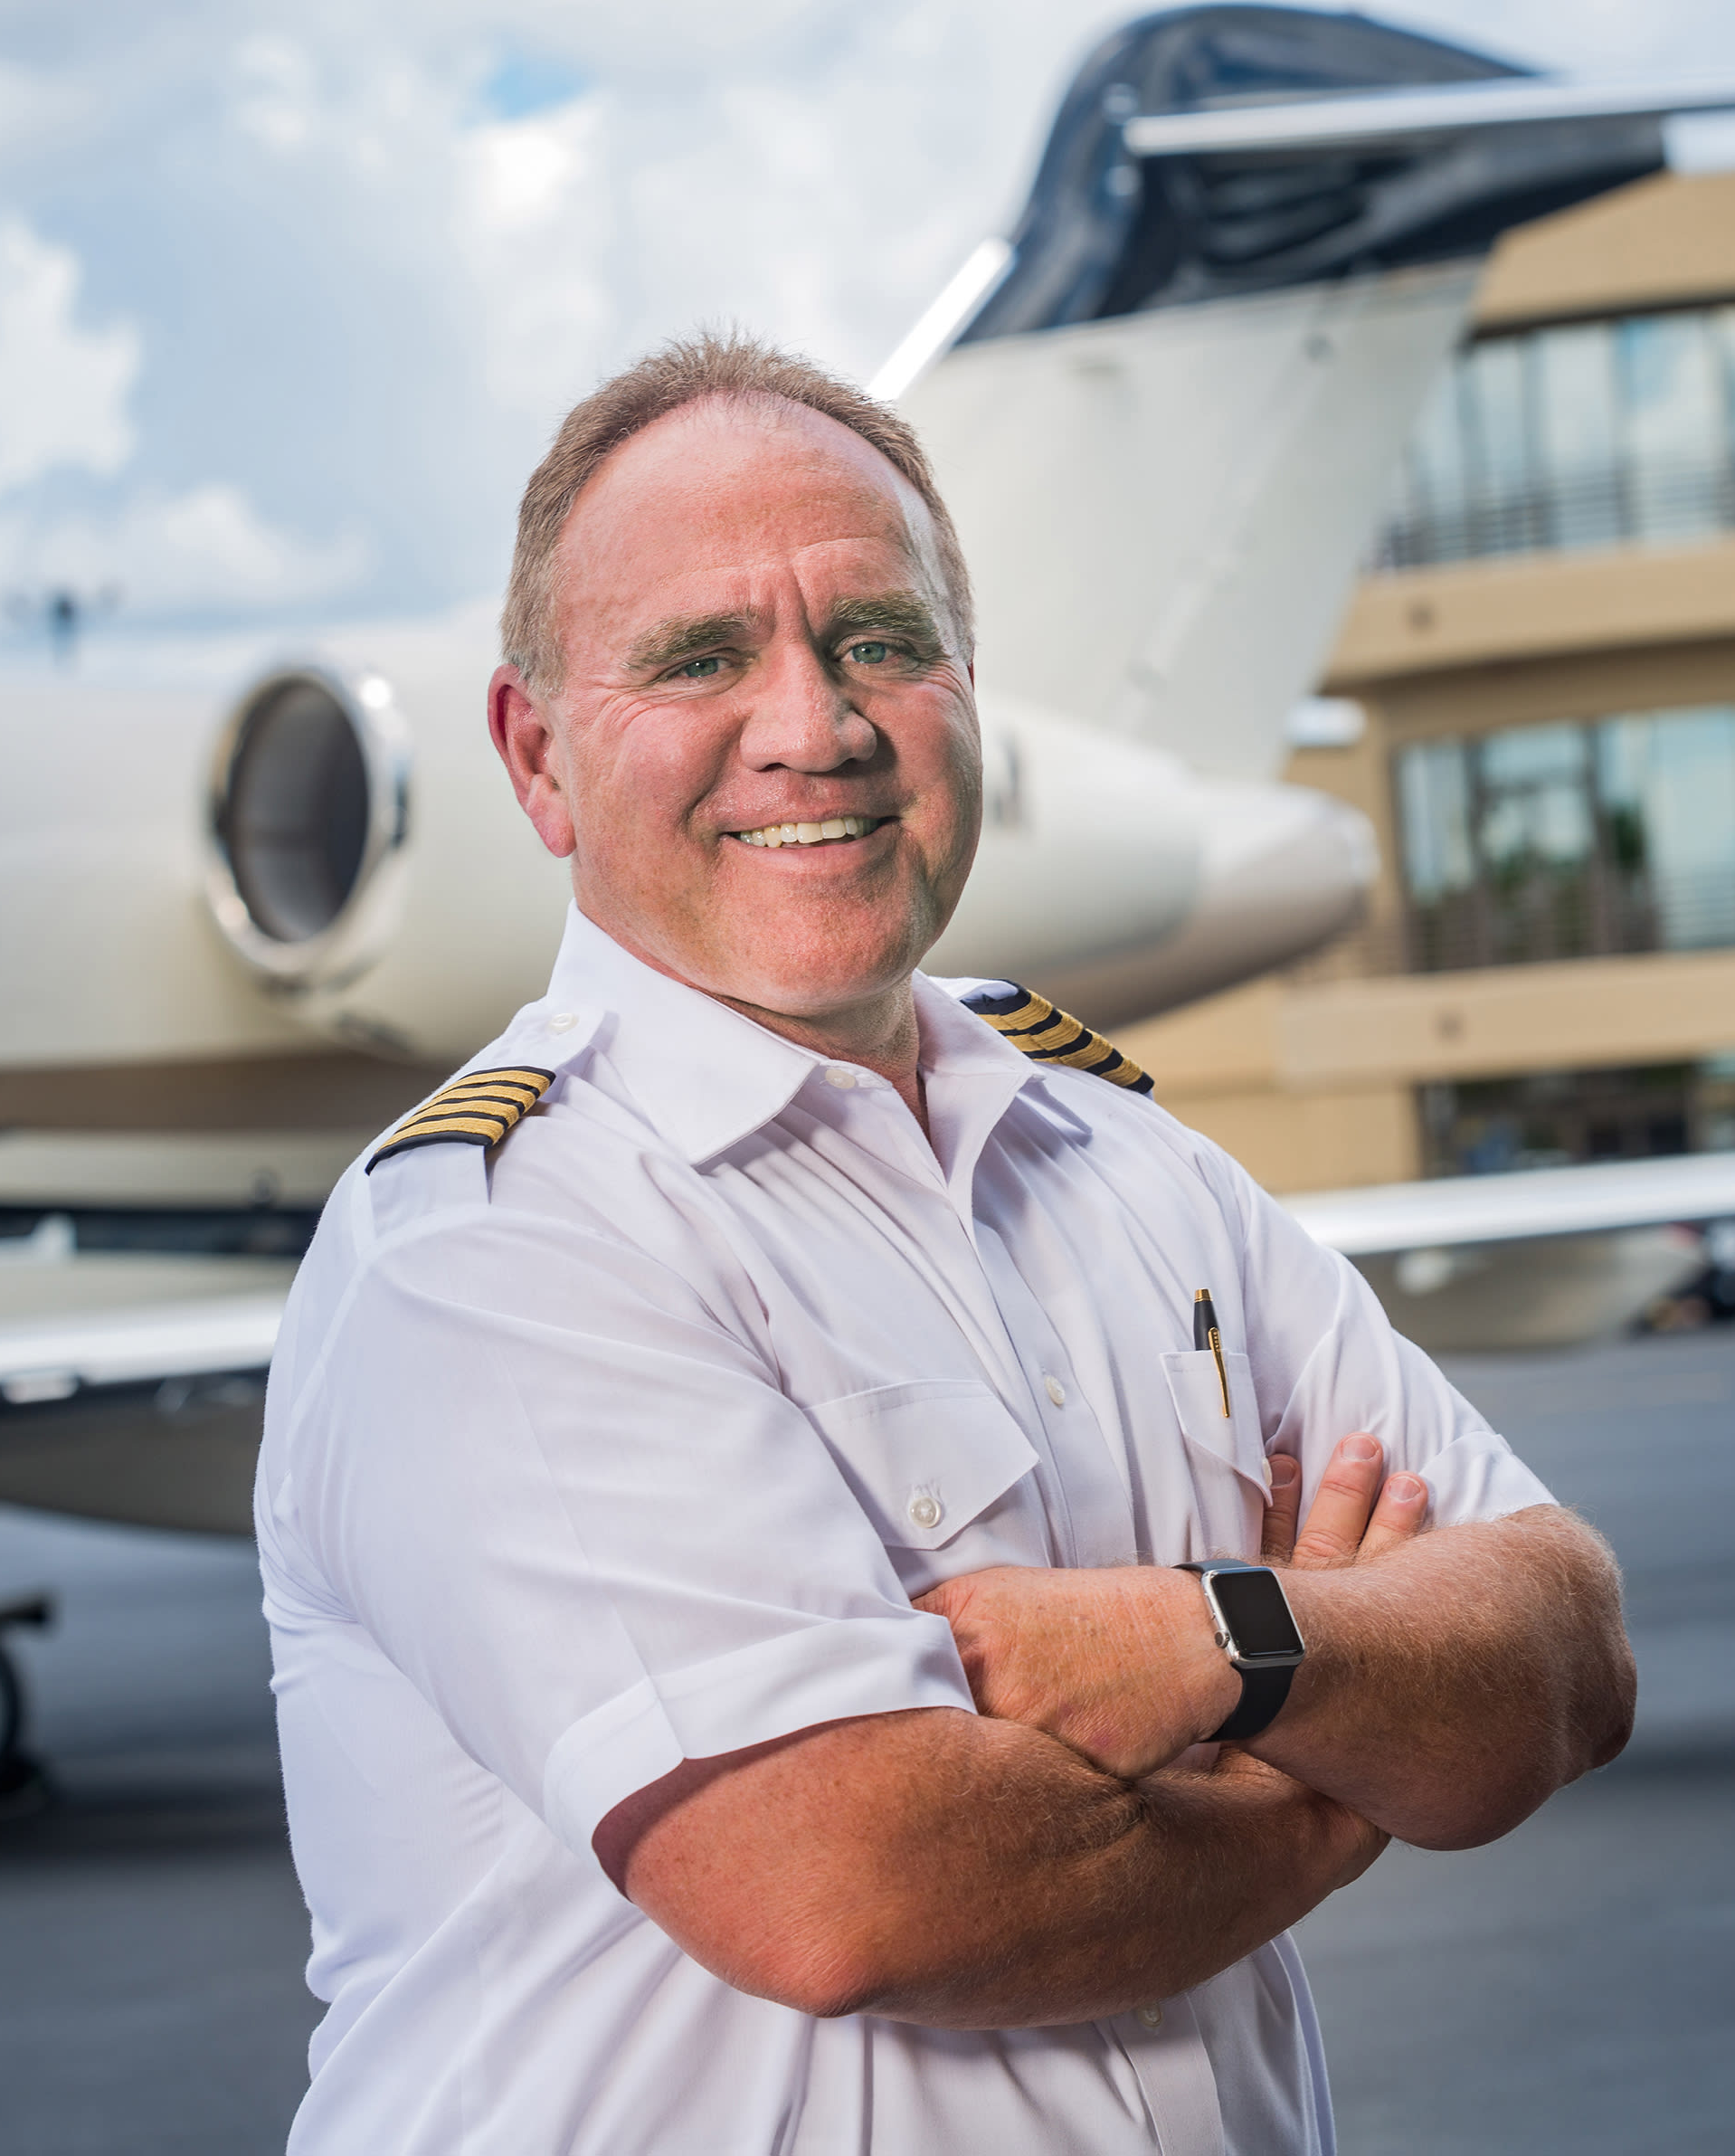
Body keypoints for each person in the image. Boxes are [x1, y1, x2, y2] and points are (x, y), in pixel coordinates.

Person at [255, 331, 1635, 2155]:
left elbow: (1565, 1651)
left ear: (966, 690)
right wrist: (1341, 1769)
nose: (812, 724)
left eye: (880, 641)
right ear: (539, 761)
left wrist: (1219, 1648)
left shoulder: (1130, 1160)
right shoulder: (496, 1239)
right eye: (698, 658)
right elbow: (860, 1887)